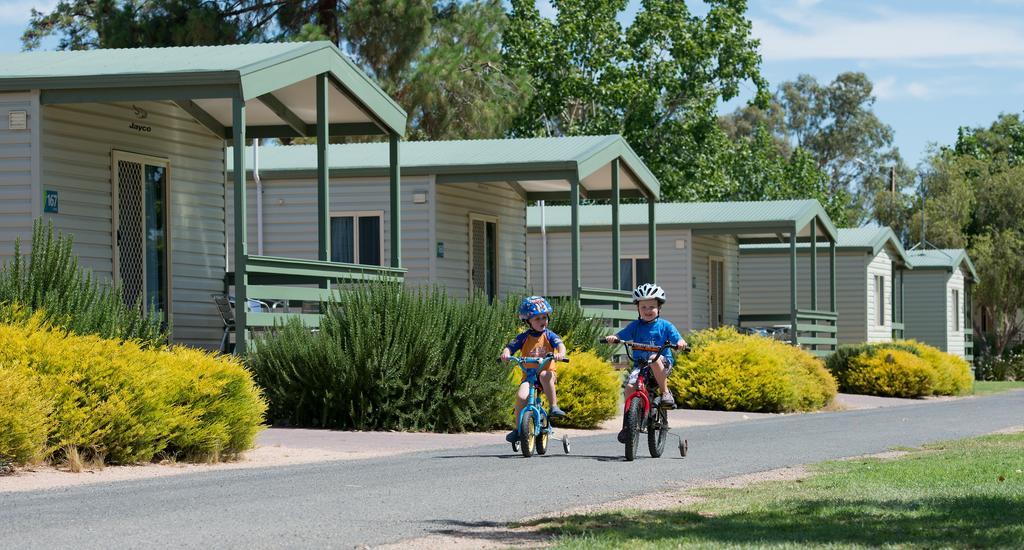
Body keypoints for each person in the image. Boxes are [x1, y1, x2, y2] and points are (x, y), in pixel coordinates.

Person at [603, 283, 688, 444]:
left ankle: (665, 393)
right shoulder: (635, 326)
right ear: (638, 309)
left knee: (653, 359)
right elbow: (622, 335)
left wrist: (681, 342)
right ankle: (628, 424)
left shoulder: (665, 326)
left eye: (652, 307)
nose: (648, 311)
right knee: (629, 388)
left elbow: (677, 338)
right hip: (641, 365)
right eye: (644, 307)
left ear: (659, 308)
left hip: (662, 363)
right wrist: (614, 338)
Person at [500, 296, 568, 443]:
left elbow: (560, 344)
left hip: (547, 373)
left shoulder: (549, 335)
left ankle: (554, 407)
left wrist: (560, 354)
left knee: (544, 374)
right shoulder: (524, 337)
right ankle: (519, 429)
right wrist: (506, 353)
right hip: (529, 376)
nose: (542, 321)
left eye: (544, 317)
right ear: (528, 321)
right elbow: (510, 346)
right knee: (521, 397)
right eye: (537, 319)